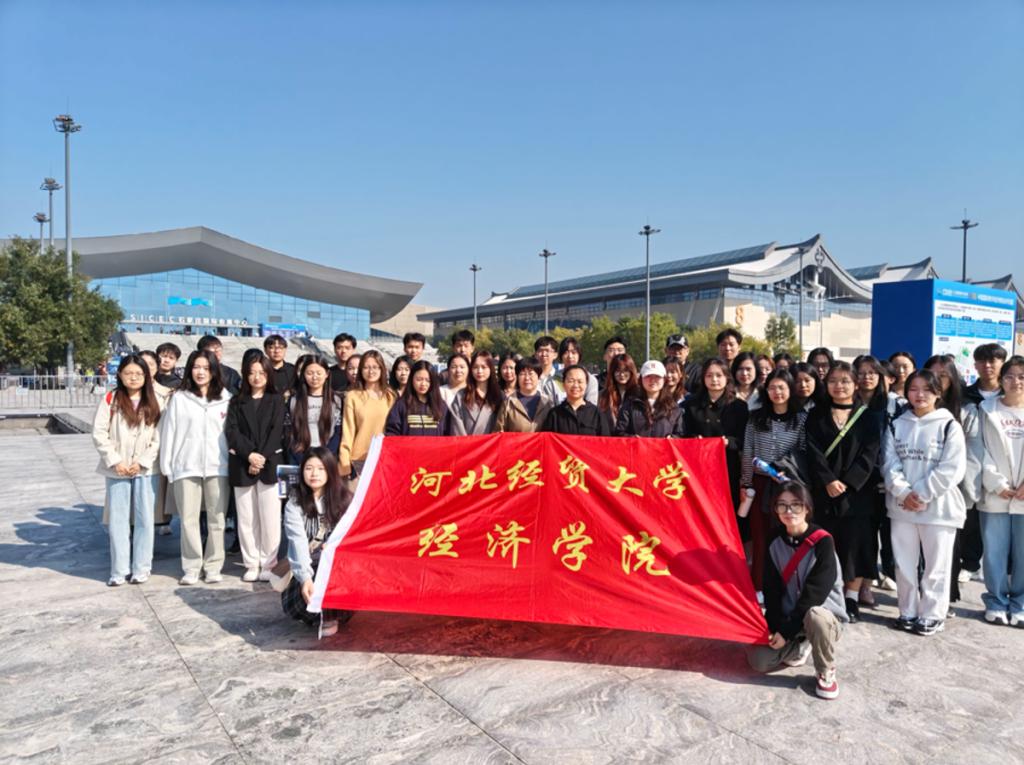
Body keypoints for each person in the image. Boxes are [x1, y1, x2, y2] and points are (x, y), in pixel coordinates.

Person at [883, 370, 967, 636]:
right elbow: (889, 464)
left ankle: (932, 614)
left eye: (927, 389)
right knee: (904, 565)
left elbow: (952, 468)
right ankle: (907, 611)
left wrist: (920, 494)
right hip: (902, 508)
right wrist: (903, 492)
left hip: (938, 509)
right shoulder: (897, 424)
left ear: (938, 393)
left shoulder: (949, 425)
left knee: (936, 566)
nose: (920, 395)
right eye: (914, 389)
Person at [747, 481, 849, 701]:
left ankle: (825, 671)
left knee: (815, 615)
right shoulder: (774, 540)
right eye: (782, 505)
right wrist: (775, 629)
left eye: (795, 504)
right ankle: (800, 646)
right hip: (790, 619)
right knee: (758, 660)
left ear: (807, 508)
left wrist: (786, 633)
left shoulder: (823, 542)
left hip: (823, 618)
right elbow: (772, 590)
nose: (789, 511)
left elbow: (815, 594)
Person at [805, 361, 882, 622]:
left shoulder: (868, 417)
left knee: (855, 546)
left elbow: (870, 454)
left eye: (845, 381)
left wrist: (848, 482)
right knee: (826, 544)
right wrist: (828, 480)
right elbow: (812, 451)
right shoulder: (816, 415)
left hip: (857, 493)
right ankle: (827, 595)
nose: (839, 386)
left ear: (856, 384)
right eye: (833, 381)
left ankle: (851, 598)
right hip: (823, 491)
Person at [159, 349, 232, 585]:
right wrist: (168, 465)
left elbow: (230, 434)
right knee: (188, 520)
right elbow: (169, 432)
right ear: (189, 369)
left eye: (206, 368)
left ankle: (213, 566)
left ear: (214, 371)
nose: (201, 372)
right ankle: (191, 567)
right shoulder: (180, 399)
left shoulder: (225, 398)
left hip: (218, 467)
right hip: (186, 465)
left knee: (217, 520)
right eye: (196, 367)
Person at [92, 355, 163, 586]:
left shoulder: (154, 401)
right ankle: (119, 570)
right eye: (128, 373)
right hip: (118, 469)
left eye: (139, 373)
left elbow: (159, 437)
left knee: (144, 520)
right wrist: (115, 460)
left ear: (146, 376)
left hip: (145, 469)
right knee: (118, 520)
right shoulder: (110, 399)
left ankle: (142, 567)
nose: (133, 378)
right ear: (120, 375)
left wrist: (143, 461)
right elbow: (99, 433)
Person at [739, 369, 807, 595]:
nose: (777, 392)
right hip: (760, 485)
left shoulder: (801, 419)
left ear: (790, 390)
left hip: (788, 485)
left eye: (782, 387)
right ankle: (759, 586)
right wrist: (746, 483)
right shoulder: (756, 418)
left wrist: (785, 468)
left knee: (787, 533)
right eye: (772, 387)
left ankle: (786, 585)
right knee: (760, 536)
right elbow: (748, 451)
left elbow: (803, 451)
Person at [282, 447, 354, 636]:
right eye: (309, 468)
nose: (314, 474)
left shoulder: (345, 500)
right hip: (310, 565)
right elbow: (297, 542)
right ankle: (320, 613)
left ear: (330, 471)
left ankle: (330, 614)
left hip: (338, 567)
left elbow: (354, 534)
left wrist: (335, 547)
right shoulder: (294, 504)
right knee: (305, 593)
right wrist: (305, 578)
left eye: (321, 468)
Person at [226, 353, 285, 582]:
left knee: (270, 519)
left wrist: (259, 458)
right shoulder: (236, 401)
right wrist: (249, 455)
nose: (257, 377)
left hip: (269, 464)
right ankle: (251, 563)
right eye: (251, 373)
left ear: (268, 374)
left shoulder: (276, 400)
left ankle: (269, 563)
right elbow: (232, 432)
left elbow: (277, 431)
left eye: (261, 372)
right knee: (246, 518)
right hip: (242, 464)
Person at [977, 355, 1024, 627]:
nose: (1016, 381)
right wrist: (996, 483)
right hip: (996, 493)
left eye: (1022, 376)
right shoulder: (986, 410)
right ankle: (995, 601)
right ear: (1001, 380)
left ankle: (1020, 603)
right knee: (994, 552)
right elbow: (978, 449)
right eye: (1010, 376)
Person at [961, 343, 1008, 580]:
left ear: (1002, 363)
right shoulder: (965, 395)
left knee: (1000, 519)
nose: (987, 365)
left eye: (993, 360)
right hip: (971, 463)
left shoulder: (1010, 395)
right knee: (970, 517)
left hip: (1003, 465)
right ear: (975, 364)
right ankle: (970, 564)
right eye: (982, 361)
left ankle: (1003, 567)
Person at [682, 358, 749, 507]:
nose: (714, 380)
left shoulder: (738, 406)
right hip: (698, 466)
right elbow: (684, 434)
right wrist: (694, 439)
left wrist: (728, 442)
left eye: (719, 375)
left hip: (727, 466)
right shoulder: (690, 405)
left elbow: (744, 439)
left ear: (727, 377)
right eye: (709, 375)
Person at [340, 350, 397, 479]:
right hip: (359, 460)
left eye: (375, 367)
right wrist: (344, 463)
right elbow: (348, 431)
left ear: (382, 369)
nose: (371, 371)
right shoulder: (352, 396)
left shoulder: (390, 395)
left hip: (385, 458)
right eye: (366, 367)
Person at [287, 356, 343, 464]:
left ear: (327, 374)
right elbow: (288, 431)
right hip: (299, 456)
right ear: (303, 374)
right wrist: (301, 458)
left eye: (319, 373)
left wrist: (325, 455)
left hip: (327, 457)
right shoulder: (294, 400)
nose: (314, 377)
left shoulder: (336, 400)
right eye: (309, 373)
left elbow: (338, 432)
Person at [616, 360, 685, 438]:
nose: (652, 380)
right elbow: (619, 432)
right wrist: (632, 439)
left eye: (657, 376)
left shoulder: (673, 407)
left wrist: (673, 438)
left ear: (664, 379)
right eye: (648, 376)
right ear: (641, 379)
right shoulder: (630, 404)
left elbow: (680, 434)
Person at [386, 361, 451, 435]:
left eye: (428, 380)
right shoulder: (401, 405)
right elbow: (392, 432)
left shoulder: (441, 406)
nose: (423, 384)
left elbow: (448, 434)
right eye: (419, 379)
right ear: (411, 379)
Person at [541, 365, 608, 435]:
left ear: (586, 385)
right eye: (571, 381)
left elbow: (605, 440)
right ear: (563, 384)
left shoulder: (596, 414)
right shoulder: (554, 414)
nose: (575, 385)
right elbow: (547, 439)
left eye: (580, 381)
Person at [495, 356, 554, 432]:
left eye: (531, 374)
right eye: (522, 374)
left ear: (538, 376)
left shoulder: (547, 403)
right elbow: (499, 432)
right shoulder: (508, 403)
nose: (527, 378)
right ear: (517, 376)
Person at [450, 350, 502, 435]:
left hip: (492, 442)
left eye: (483, 367)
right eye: (475, 367)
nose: (479, 371)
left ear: (491, 369)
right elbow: (456, 426)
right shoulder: (461, 395)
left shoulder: (499, 395)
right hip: (466, 442)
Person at [543, 337, 599, 405]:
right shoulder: (552, 381)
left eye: (573, 352)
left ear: (579, 355)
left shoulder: (590, 379)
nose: (570, 356)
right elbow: (550, 407)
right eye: (566, 353)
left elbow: (591, 407)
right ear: (561, 356)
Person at [598, 353, 639, 435]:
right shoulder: (603, 395)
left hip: (632, 439)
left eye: (625, 370)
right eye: (618, 371)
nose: (622, 374)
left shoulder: (639, 394)